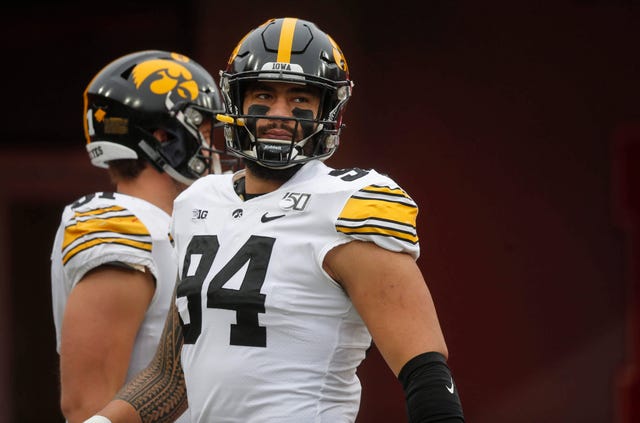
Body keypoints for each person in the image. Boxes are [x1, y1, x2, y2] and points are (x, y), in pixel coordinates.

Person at [83, 17, 465, 423]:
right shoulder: (199, 203)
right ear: (237, 102)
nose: (279, 113)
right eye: (263, 94)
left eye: (301, 99)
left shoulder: (348, 204)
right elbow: (170, 377)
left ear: (328, 110)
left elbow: (424, 371)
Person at [51, 50, 230, 423]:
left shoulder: (172, 224)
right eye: (203, 129)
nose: (213, 145)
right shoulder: (122, 225)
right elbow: (87, 406)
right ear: (164, 137)